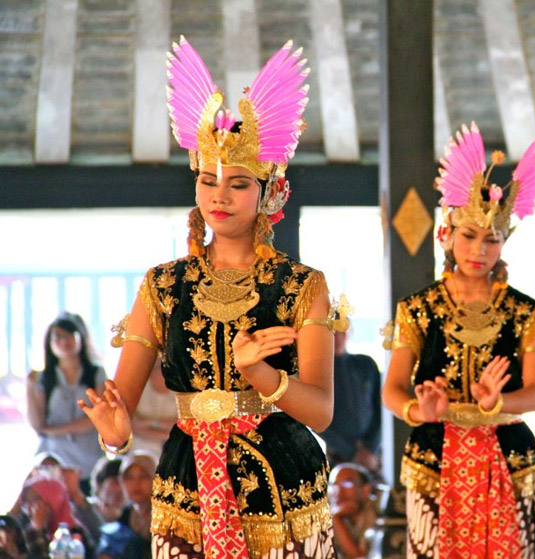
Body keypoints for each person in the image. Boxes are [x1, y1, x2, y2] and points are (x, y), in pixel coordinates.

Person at [78, 37, 336, 559]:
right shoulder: (162, 284)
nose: (219, 195)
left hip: (281, 486)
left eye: (238, 183)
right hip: (188, 485)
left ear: (269, 190)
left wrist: (262, 377)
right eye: (207, 179)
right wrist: (114, 436)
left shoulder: (302, 284)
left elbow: (323, 410)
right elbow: (121, 408)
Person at [381, 123, 535, 558]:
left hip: (508, 453)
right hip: (434, 455)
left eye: (491, 239)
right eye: (469, 235)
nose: (478, 250)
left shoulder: (526, 312)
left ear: (504, 243)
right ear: (447, 234)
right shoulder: (417, 309)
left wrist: (494, 405)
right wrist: (417, 410)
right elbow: (392, 389)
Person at [25, 313, 106, 494]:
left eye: (69, 336)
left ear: (80, 338)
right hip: (54, 459)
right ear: (50, 344)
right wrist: (29, 387)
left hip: (89, 458)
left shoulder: (95, 373)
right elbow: (37, 424)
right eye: (58, 338)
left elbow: (97, 418)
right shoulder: (45, 377)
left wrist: (54, 431)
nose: (64, 342)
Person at [320, 329, 381, 474]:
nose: (338, 337)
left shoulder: (366, 365)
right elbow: (316, 421)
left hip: (371, 453)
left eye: (343, 331)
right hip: (337, 455)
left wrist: (371, 447)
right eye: (333, 332)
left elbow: (379, 408)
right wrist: (350, 452)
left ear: (350, 333)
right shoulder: (319, 371)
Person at [97, 452, 156, 559]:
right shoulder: (125, 515)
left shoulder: (165, 516)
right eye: (129, 477)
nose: (136, 483)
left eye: (143, 476)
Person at [130, 357, 177, 459]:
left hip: (176, 447)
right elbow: (133, 425)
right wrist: (166, 431)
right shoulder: (137, 386)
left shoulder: (182, 388)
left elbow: (184, 425)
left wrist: (149, 423)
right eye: (157, 366)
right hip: (140, 446)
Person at [328, 464, 377, 559]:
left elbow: (360, 556)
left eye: (347, 484)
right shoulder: (324, 514)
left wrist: (336, 518)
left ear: (365, 490)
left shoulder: (376, 513)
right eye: (333, 485)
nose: (338, 491)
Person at [88, 457, 125, 524]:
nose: (121, 488)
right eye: (115, 482)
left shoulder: (134, 514)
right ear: (99, 484)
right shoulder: (84, 508)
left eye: (124, 482)